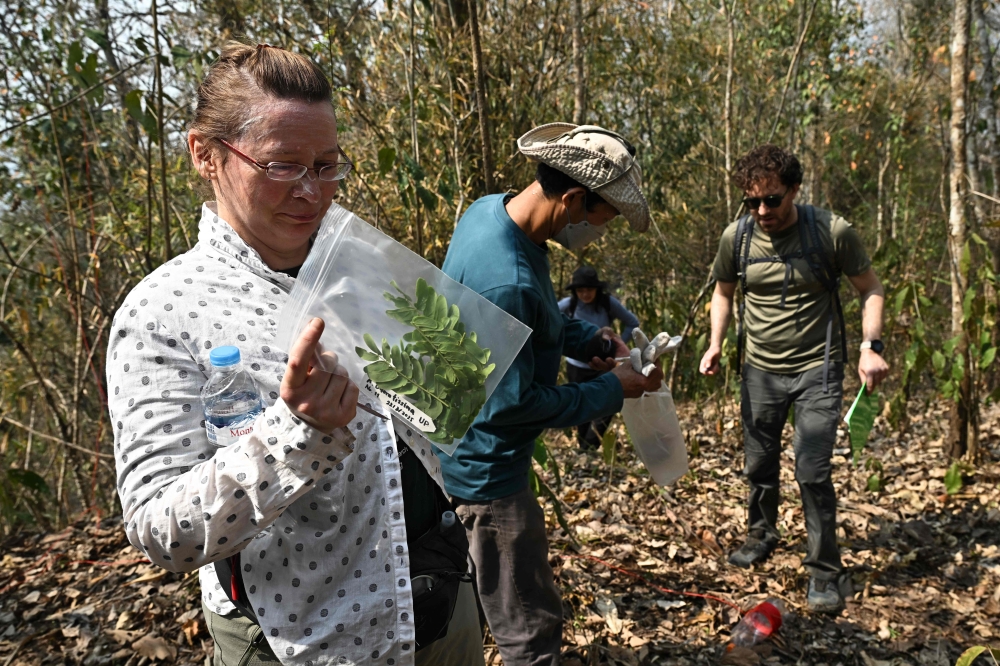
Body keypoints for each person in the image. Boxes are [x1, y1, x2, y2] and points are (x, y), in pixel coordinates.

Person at [106, 42, 484, 666]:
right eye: (282, 166)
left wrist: (459, 369)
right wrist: (296, 434)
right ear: (206, 154)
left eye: (328, 165)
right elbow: (158, 531)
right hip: (303, 640)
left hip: (441, 609)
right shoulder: (162, 312)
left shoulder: (362, 265)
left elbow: (431, 425)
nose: (312, 191)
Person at [440, 123, 662, 666]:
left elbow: (532, 329)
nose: (600, 231)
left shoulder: (491, 213)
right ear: (574, 199)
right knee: (529, 631)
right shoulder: (507, 279)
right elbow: (513, 405)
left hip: (460, 451)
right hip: (487, 476)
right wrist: (613, 388)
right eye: (603, 218)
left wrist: (591, 338)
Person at [698, 144, 889, 613]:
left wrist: (871, 348)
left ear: (795, 191)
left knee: (812, 470)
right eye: (752, 202)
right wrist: (716, 343)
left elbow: (871, 289)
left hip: (817, 369)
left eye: (772, 200)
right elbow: (723, 293)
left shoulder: (831, 231)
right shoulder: (737, 238)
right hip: (760, 369)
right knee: (759, 464)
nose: (762, 210)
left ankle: (825, 571)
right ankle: (761, 535)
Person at [558, 266, 640, 449]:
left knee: (608, 403)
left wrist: (617, 345)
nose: (585, 294)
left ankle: (592, 444)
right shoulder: (567, 305)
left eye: (589, 289)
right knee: (581, 405)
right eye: (580, 290)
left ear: (597, 289)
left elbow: (632, 322)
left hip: (604, 365)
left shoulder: (607, 303)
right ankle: (583, 447)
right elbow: (546, 321)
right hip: (577, 366)